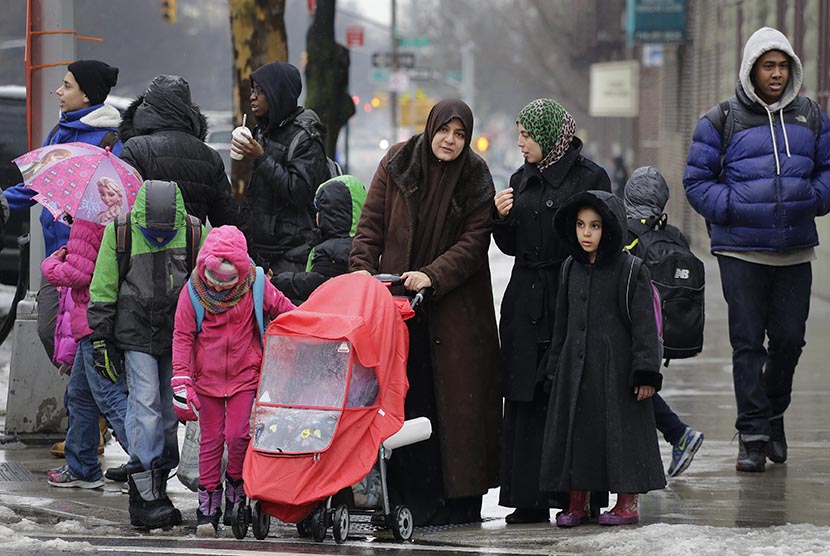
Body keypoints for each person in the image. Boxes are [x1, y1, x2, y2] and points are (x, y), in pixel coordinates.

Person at [683, 27, 830, 472]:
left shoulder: (811, 117)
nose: (777, 74)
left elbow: (827, 170)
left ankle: (774, 413)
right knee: (747, 344)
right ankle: (752, 435)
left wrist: (813, 199)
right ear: (751, 68)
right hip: (741, 252)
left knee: (789, 341)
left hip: (795, 251)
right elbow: (696, 181)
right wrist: (732, 206)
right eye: (769, 66)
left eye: (783, 66)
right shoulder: (720, 119)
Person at [350, 98, 502, 526]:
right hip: (396, 309)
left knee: (452, 409)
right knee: (403, 400)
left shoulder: (475, 177)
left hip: (456, 314)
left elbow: (474, 243)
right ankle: (403, 499)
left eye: (459, 135)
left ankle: (455, 502)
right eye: (444, 131)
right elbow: (371, 226)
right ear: (430, 128)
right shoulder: (398, 162)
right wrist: (362, 276)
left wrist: (432, 275)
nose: (450, 141)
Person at [492, 98, 610, 524]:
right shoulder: (521, 179)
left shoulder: (590, 177)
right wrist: (500, 219)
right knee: (525, 396)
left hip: (571, 294)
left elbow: (607, 235)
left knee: (572, 392)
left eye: (526, 135)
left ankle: (579, 493)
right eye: (519, 134)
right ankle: (529, 496)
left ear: (546, 135)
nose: (520, 142)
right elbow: (511, 244)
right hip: (525, 300)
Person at [539, 190, 666, 527]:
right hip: (576, 368)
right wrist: (555, 370)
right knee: (578, 436)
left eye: (595, 226)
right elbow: (562, 326)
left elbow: (644, 328)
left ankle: (627, 504)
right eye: (580, 225)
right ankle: (577, 503)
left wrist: (646, 373)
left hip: (618, 371)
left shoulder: (630, 270)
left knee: (622, 437)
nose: (586, 233)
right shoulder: (570, 268)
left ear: (608, 229)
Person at [88, 180, 205, 529]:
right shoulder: (121, 232)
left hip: (177, 335)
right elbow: (104, 284)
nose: (158, 240)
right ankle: (145, 490)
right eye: (152, 234)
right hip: (135, 333)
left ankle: (156, 484)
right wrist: (101, 339)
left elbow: (207, 281)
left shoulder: (194, 232)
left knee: (169, 413)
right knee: (145, 404)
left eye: (163, 235)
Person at [171, 225, 295, 535]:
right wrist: (181, 379)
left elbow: (284, 309)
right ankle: (208, 502)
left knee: (239, 435)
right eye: (214, 278)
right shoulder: (193, 291)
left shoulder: (256, 283)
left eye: (227, 280)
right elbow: (183, 335)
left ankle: (236, 490)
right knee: (210, 441)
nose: (219, 286)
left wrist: (309, 327)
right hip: (207, 380)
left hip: (244, 375)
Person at [4, 60, 121, 367]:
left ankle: (85, 404)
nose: (59, 90)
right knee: (48, 331)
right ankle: (80, 396)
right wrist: (4, 203)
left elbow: (112, 203)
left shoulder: (110, 141)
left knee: (79, 341)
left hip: (88, 264)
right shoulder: (60, 131)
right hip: (55, 258)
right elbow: (37, 185)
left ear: (86, 96)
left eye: (67, 85)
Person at [623, 165, 705, 478]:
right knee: (638, 387)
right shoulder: (673, 235)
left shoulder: (626, 233)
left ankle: (676, 435)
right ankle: (676, 436)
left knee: (632, 388)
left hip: (632, 330)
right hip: (661, 333)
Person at [42, 215, 130, 489]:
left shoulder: (89, 221)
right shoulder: (119, 216)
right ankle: (82, 466)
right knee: (79, 394)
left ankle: (149, 465)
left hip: (94, 320)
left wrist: (52, 262)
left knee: (109, 395)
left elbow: (76, 274)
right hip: (107, 317)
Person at [234, 61, 329, 274]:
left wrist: (260, 157)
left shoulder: (305, 137)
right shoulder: (263, 130)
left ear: (278, 94)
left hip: (291, 253)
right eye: (252, 90)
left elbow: (299, 192)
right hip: (260, 253)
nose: (252, 97)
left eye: (260, 91)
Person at [119, 74, 238, 228]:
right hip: (192, 247)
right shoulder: (210, 156)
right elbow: (226, 219)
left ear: (148, 108)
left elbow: (122, 207)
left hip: (143, 247)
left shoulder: (135, 148)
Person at [273, 175, 366, 304]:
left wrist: (278, 281)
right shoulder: (362, 244)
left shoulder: (330, 249)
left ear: (331, 215)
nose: (316, 215)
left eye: (320, 211)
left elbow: (312, 283)